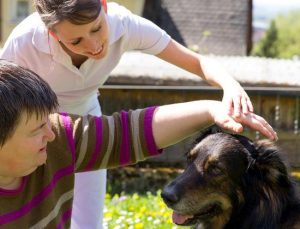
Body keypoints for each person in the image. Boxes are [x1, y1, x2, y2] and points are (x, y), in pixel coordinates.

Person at [0, 1, 255, 228]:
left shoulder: (125, 25)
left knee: (89, 220)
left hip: (82, 129)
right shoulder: (25, 41)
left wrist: (229, 86)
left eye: (96, 28)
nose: (94, 45)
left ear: (104, 6)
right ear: (52, 34)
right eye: (76, 41)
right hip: (33, 129)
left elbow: (196, 62)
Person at [0, 60, 276, 228]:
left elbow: (126, 133)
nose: (52, 134)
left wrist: (211, 110)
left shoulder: (58, 140)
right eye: (38, 129)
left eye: (50, 121)